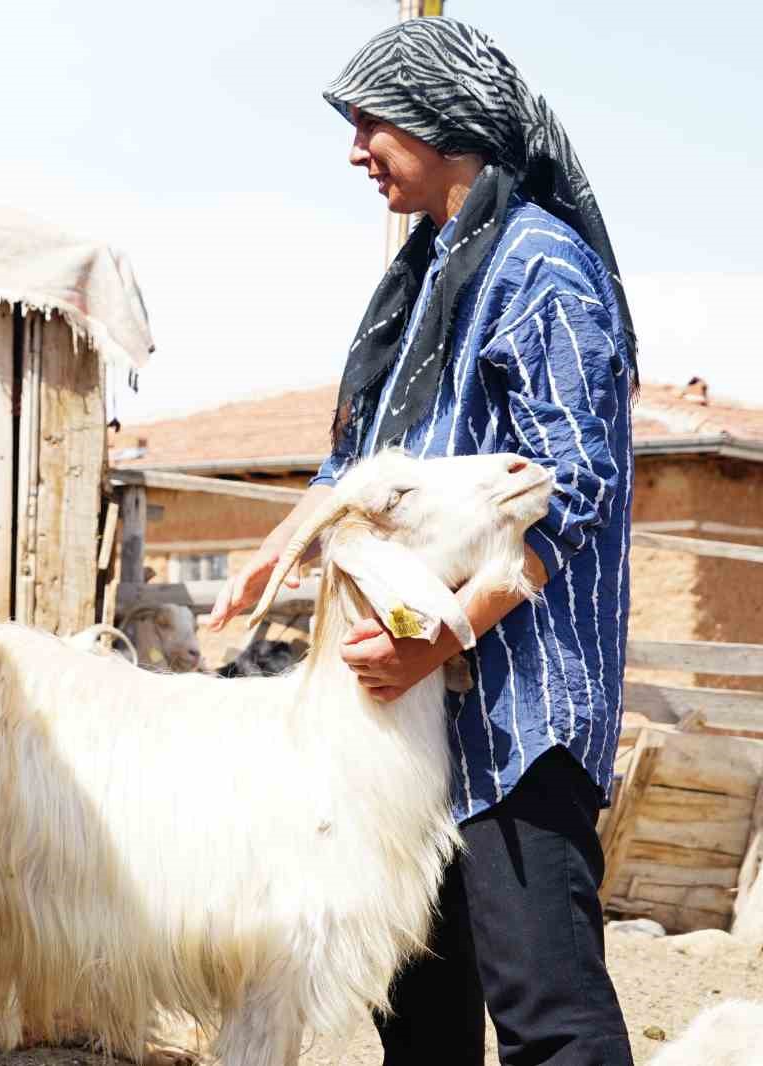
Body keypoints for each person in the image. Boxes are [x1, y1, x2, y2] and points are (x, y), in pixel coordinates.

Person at [208, 17, 635, 1065]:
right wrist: (281, 546)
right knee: (419, 1025)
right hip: (403, 736)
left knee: (548, 1016)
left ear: (448, 124)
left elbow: (571, 486)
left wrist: (440, 635)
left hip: (512, 721)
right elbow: (365, 468)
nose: (356, 148)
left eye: (372, 122)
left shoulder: (541, 268)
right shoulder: (424, 280)